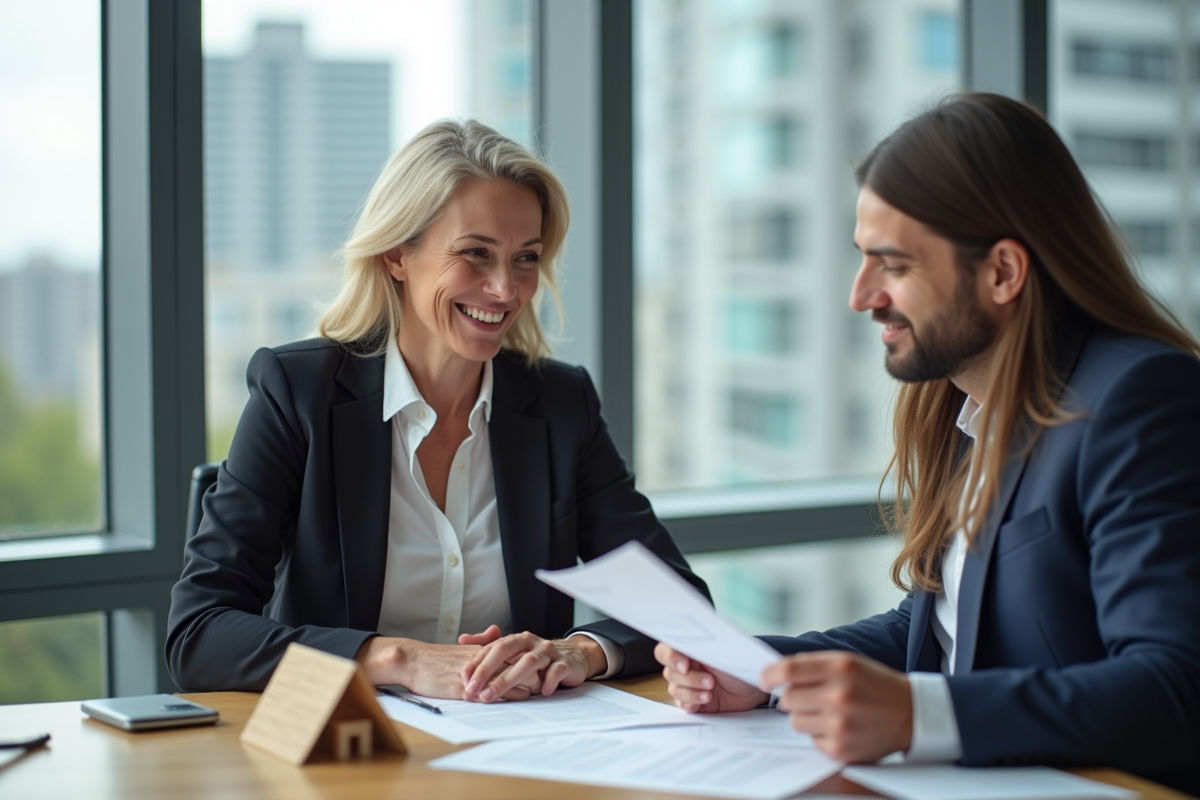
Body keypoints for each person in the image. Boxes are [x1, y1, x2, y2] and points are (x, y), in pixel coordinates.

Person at [654, 93, 1200, 795]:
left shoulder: (1139, 396)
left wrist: (920, 715)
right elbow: (943, 628)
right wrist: (765, 672)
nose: (861, 296)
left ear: (1003, 273)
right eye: (863, 260)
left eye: (895, 266)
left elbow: (1175, 686)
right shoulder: (969, 403)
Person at [167, 119, 708, 700]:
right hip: (352, 741)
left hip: (520, 740)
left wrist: (577, 652)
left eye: (526, 258)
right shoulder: (299, 393)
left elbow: (680, 606)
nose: (506, 290)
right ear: (397, 254)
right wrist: (400, 659)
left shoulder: (561, 405)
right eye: (476, 253)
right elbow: (200, 633)